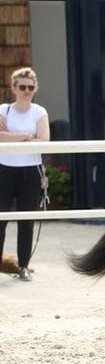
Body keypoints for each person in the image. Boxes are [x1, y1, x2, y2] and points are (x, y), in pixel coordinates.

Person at [0, 67, 50, 281]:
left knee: (26, 219)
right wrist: (26, 136)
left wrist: (12, 136)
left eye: (30, 87)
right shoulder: (4, 110)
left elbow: (44, 140)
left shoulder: (39, 112)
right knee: (1, 218)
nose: (26, 91)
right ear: (14, 88)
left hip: (30, 170)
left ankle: (23, 266)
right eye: (22, 87)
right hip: (5, 168)